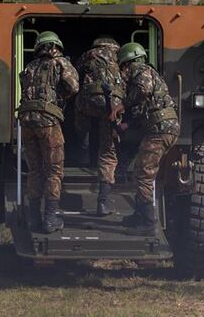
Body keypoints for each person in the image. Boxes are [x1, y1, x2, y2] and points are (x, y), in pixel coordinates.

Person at [16, 31, 79, 232]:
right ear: (56, 46)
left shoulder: (30, 67)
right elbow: (74, 87)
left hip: (26, 121)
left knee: (34, 170)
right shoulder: (60, 63)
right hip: (48, 121)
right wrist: (61, 97)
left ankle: (33, 218)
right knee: (53, 171)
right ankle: (50, 219)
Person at [116, 42, 178, 235]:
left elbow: (142, 91)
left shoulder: (140, 70)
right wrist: (128, 124)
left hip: (159, 130)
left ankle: (148, 223)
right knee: (142, 170)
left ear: (126, 63)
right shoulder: (151, 73)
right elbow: (145, 108)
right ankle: (139, 215)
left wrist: (122, 105)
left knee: (143, 173)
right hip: (163, 127)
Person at [74, 36, 125, 216]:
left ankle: (83, 147)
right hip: (112, 104)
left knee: (79, 111)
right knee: (108, 152)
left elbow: (75, 74)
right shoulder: (120, 58)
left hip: (89, 99)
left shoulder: (88, 55)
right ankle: (102, 202)